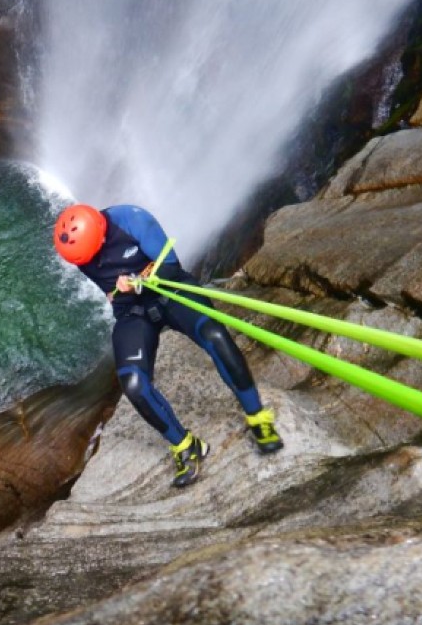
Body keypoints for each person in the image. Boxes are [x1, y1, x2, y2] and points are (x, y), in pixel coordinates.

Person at [53, 203, 283, 488]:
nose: (94, 260)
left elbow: (171, 266)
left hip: (169, 290)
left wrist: (139, 282)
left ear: (100, 233)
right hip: (132, 311)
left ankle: (257, 416)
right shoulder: (79, 252)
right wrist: (120, 292)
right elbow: (108, 289)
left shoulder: (132, 221)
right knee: (134, 384)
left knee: (215, 337)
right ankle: (186, 446)